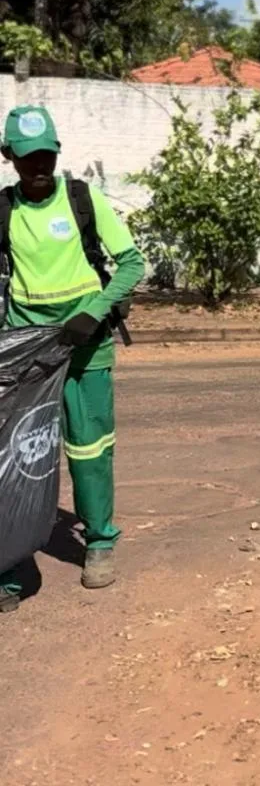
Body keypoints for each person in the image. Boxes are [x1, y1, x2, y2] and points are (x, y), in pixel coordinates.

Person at [0, 106, 145, 611]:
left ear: (56, 154)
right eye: (26, 158)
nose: (38, 166)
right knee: (22, 455)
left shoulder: (83, 199)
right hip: (27, 351)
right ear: (9, 158)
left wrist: (97, 310)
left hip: (86, 343)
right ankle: (13, 563)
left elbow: (131, 263)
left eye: (45, 155)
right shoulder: (5, 210)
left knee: (89, 447)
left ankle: (100, 540)